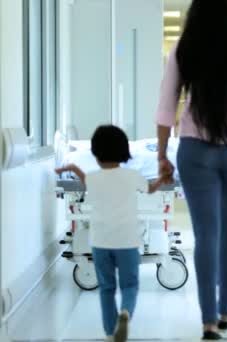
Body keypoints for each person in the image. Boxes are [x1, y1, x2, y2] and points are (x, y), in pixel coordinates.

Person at [154, 0, 227, 339]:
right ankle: (225, 310)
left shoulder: (183, 50)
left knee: (205, 234)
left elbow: (165, 109)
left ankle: (207, 321)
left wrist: (162, 155)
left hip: (194, 150)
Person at [55, 125, 167, 342]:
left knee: (106, 288)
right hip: (127, 242)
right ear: (125, 152)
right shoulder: (132, 176)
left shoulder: (94, 178)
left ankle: (109, 332)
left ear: (95, 154)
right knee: (130, 285)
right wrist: (162, 177)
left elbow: (82, 178)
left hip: (100, 243)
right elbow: (152, 189)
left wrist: (70, 167)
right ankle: (125, 313)